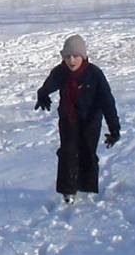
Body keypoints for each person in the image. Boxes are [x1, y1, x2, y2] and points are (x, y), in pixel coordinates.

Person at [35, 34, 120, 204]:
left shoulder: (95, 74)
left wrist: (114, 129)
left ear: (83, 56)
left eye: (75, 56)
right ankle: (68, 190)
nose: (71, 60)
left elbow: (107, 102)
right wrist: (42, 95)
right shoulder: (60, 72)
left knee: (87, 151)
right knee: (68, 152)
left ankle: (86, 186)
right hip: (69, 118)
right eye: (67, 57)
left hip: (91, 120)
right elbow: (48, 85)